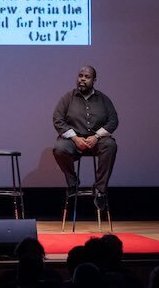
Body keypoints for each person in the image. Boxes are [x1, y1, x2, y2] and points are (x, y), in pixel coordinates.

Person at [52, 65, 118, 210]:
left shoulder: (103, 99)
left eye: (87, 77)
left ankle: (100, 190)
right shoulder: (68, 98)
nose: (82, 79)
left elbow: (113, 120)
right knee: (59, 148)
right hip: (74, 141)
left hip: (97, 140)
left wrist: (96, 136)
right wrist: (75, 138)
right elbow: (58, 119)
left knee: (110, 145)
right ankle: (73, 183)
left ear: (94, 80)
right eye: (80, 76)